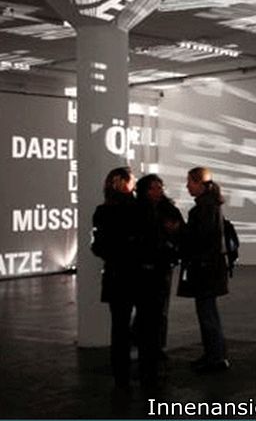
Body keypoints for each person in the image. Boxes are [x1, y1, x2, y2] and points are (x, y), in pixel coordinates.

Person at [91, 166, 148, 389]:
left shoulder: (103, 211)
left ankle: (120, 374)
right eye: (132, 179)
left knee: (119, 326)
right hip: (138, 274)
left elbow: (98, 246)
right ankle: (145, 370)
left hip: (116, 274)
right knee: (143, 323)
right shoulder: (139, 209)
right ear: (125, 183)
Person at [177, 167, 230, 373]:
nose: (187, 186)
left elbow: (199, 239)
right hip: (211, 268)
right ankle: (215, 354)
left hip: (204, 269)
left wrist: (179, 231)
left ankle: (214, 357)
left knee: (206, 313)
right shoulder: (212, 205)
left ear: (199, 183)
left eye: (190, 182)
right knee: (209, 312)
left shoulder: (203, 209)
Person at [135, 174, 184, 360]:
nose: (158, 191)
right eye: (153, 188)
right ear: (144, 190)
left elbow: (182, 231)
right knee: (145, 307)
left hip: (162, 265)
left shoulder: (169, 209)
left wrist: (174, 232)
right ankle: (145, 343)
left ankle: (157, 345)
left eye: (160, 187)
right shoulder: (138, 210)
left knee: (160, 308)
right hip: (143, 265)